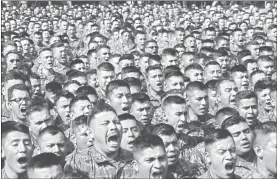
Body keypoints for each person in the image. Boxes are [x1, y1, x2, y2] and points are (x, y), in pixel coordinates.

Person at [65, 103, 135, 178]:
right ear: (91, 133)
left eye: (116, 122)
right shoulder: (77, 162)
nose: (113, 127)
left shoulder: (135, 159)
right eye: (105, 123)